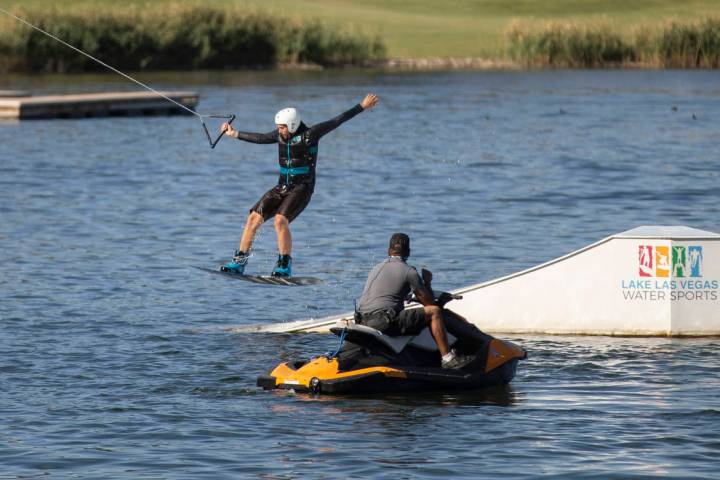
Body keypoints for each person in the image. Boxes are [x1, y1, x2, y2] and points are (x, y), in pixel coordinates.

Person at [220, 93, 380, 277]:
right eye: (278, 127)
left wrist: (362, 106)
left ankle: (284, 265)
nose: (279, 130)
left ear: (293, 125)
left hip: (302, 188)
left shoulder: (311, 135)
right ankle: (239, 262)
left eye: (282, 127)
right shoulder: (280, 135)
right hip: (282, 187)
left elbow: (337, 120)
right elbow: (261, 138)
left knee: (280, 221)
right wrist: (234, 134)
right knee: (253, 218)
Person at [354, 233, 474, 369]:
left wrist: (408, 295)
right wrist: (427, 282)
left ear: (389, 251)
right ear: (408, 252)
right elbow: (429, 303)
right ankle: (448, 358)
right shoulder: (409, 271)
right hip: (384, 321)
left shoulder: (375, 268)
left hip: (361, 319)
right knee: (434, 312)